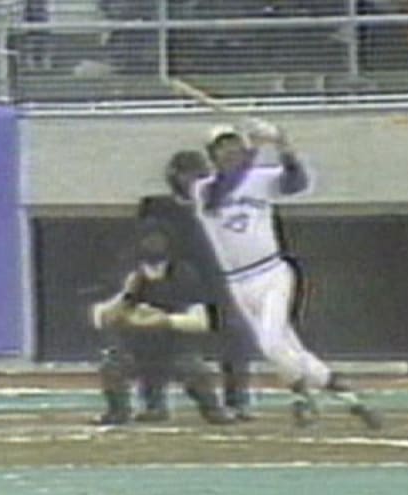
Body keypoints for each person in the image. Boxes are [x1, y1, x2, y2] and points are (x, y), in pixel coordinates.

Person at [191, 121, 383, 429]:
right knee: (288, 350)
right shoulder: (204, 190)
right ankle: (347, 395)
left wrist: (284, 145)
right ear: (211, 155)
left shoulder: (258, 179)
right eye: (221, 148)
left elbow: (298, 182)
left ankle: (300, 396)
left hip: (272, 273)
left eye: (233, 145)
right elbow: (225, 189)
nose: (229, 152)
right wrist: (255, 149)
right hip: (238, 282)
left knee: (270, 342)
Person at [140, 150, 259, 420]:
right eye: (187, 175)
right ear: (174, 177)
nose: (192, 181)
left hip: (216, 284)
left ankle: (238, 400)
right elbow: (149, 245)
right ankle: (154, 402)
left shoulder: (221, 206)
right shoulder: (158, 208)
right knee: (155, 339)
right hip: (173, 286)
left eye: (199, 175)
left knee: (235, 336)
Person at [89, 220, 235, 426]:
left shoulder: (185, 274)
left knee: (196, 371)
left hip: (176, 347)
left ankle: (213, 409)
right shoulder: (127, 273)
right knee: (112, 365)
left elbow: (203, 320)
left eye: (158, 239)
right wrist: (128, 298)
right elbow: (102, 317)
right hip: (135, 347)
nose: (153, 244)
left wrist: (165, 321)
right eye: (148, 239)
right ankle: (120, 411)